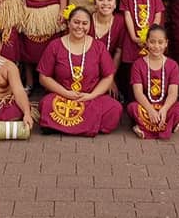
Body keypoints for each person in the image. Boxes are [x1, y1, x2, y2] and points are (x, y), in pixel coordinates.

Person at [37, 7, 122, 136]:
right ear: (69, 23)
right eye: (76, 22)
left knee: (115, 108)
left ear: (89, 26)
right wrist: (66, 93)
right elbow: (43, 77)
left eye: (84, 23)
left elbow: (108, 77)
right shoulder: (55, 45)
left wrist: (91, 95)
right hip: (62, 97)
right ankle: (89, 125)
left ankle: (61, 126)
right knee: (46, 103)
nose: (80, 27)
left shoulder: (98, 46)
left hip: (90, 97)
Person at [128, 25, 179, 139]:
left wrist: (164, 109)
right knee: (132, 107)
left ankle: (144, 128)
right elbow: (138, 93)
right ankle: (168, 126)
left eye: (160, 42)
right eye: (152, 42)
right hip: (146, 107)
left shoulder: (172, 65)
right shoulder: (138, 64)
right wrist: (150, 110)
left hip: (165, 107)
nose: (156, 46)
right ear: (146, 42)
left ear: (166, 43)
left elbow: (173, 93)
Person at [119, 0, 165, 70]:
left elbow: (158, 15)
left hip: (151, 40)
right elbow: (127, 15)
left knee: (150, 66)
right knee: (132, 68)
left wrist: (151, 36)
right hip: (132, 37)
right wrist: (134, 37)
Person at [90, 0, 127, 98]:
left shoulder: (120, 21)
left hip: (111, 69)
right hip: (88, 69)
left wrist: (109, 78)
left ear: (115, 4)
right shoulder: (87, 20)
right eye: (101, 0)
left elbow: (118, 51)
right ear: (95, 4)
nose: (105, 3)